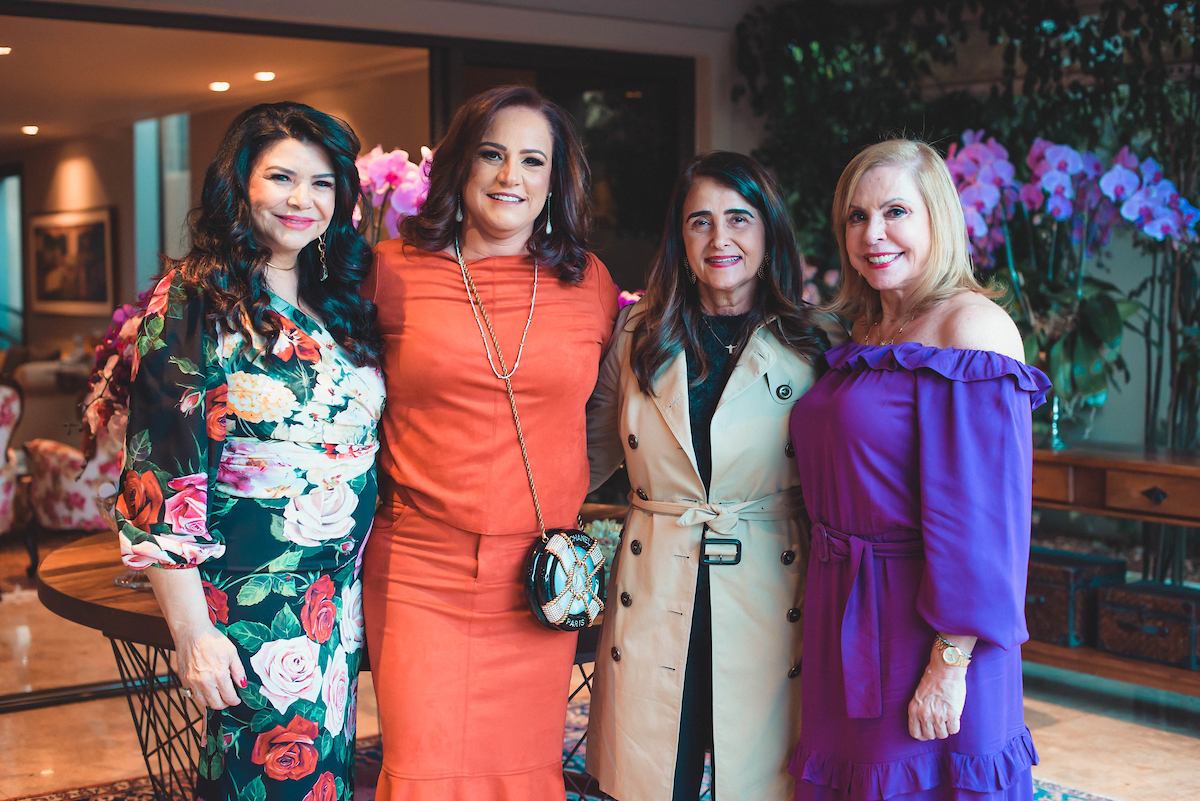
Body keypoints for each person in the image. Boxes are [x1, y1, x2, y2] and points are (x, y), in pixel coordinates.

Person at [116, 102, 384, 801]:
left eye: (324, 183)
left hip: (334, 603)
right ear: (239, 184)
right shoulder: (191, 302)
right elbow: (160, 475)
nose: (304, 200)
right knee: (263, 779)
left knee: (322, 780)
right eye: (282, 178)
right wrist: (192, 631)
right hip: (248, 603)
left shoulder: (341, 297)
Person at [361, 85, 618, 800]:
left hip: (540, 579)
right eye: (493, 155)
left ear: (554, 180)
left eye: (533, 161)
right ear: (460, 166)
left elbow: (604, 416)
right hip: (420, 572)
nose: (511, 177)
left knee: (524, 775)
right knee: (422, 770)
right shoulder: (390, 271)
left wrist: (567, 490)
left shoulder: (588, 282)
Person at [786, 139, 1049, 801]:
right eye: (856, 216)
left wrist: (949, 660)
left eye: (895, 211)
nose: (872, 233)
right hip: (844, 607)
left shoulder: (973, 329)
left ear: (938, 218)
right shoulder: (862, 336)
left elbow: (990, 520)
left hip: (929, 622)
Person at [585, 151, 844, 801]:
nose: (720, 238)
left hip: (770, 586)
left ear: (768, 229)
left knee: (760, 778)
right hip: (656, 580)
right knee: (651, 775)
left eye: (739, 218)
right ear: (680, 237)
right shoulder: (640, 331)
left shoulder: (817, 342)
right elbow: (585, 455)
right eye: (700, 221)